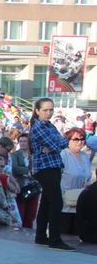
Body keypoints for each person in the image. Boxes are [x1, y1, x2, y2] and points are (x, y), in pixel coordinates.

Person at [29, 98, 75, 250]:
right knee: (56, 202)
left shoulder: (50, 125)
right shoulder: (39, 127)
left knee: (47, 202)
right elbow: (59, 144)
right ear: (37, 111)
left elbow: (60, 143)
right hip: (44, 167)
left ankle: (41, 236)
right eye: (45, 110)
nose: (48, 113)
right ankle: (54, 239)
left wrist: (56, 144)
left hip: (53, 165)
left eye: (51, 110)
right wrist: (57, 144)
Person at [60, 128, 93, 235]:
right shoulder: (63, 155)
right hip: (65, 204)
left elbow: (87, 177)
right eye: (76, 139)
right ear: (68, 141)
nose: (80, 141)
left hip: (80, 204)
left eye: (82, 139)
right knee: (65, 235)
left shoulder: (84, 156)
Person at [10, 134, 38, 228]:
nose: (22, 143)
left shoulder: (34, 154)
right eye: (20, 141)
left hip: (33, 186)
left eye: (24, 141)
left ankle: (28, 230)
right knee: (20, 211)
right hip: (20, 186)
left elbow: (38, 168)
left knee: (31, 213)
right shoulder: (15, 154)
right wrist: (30, 171)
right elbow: (15, 169)